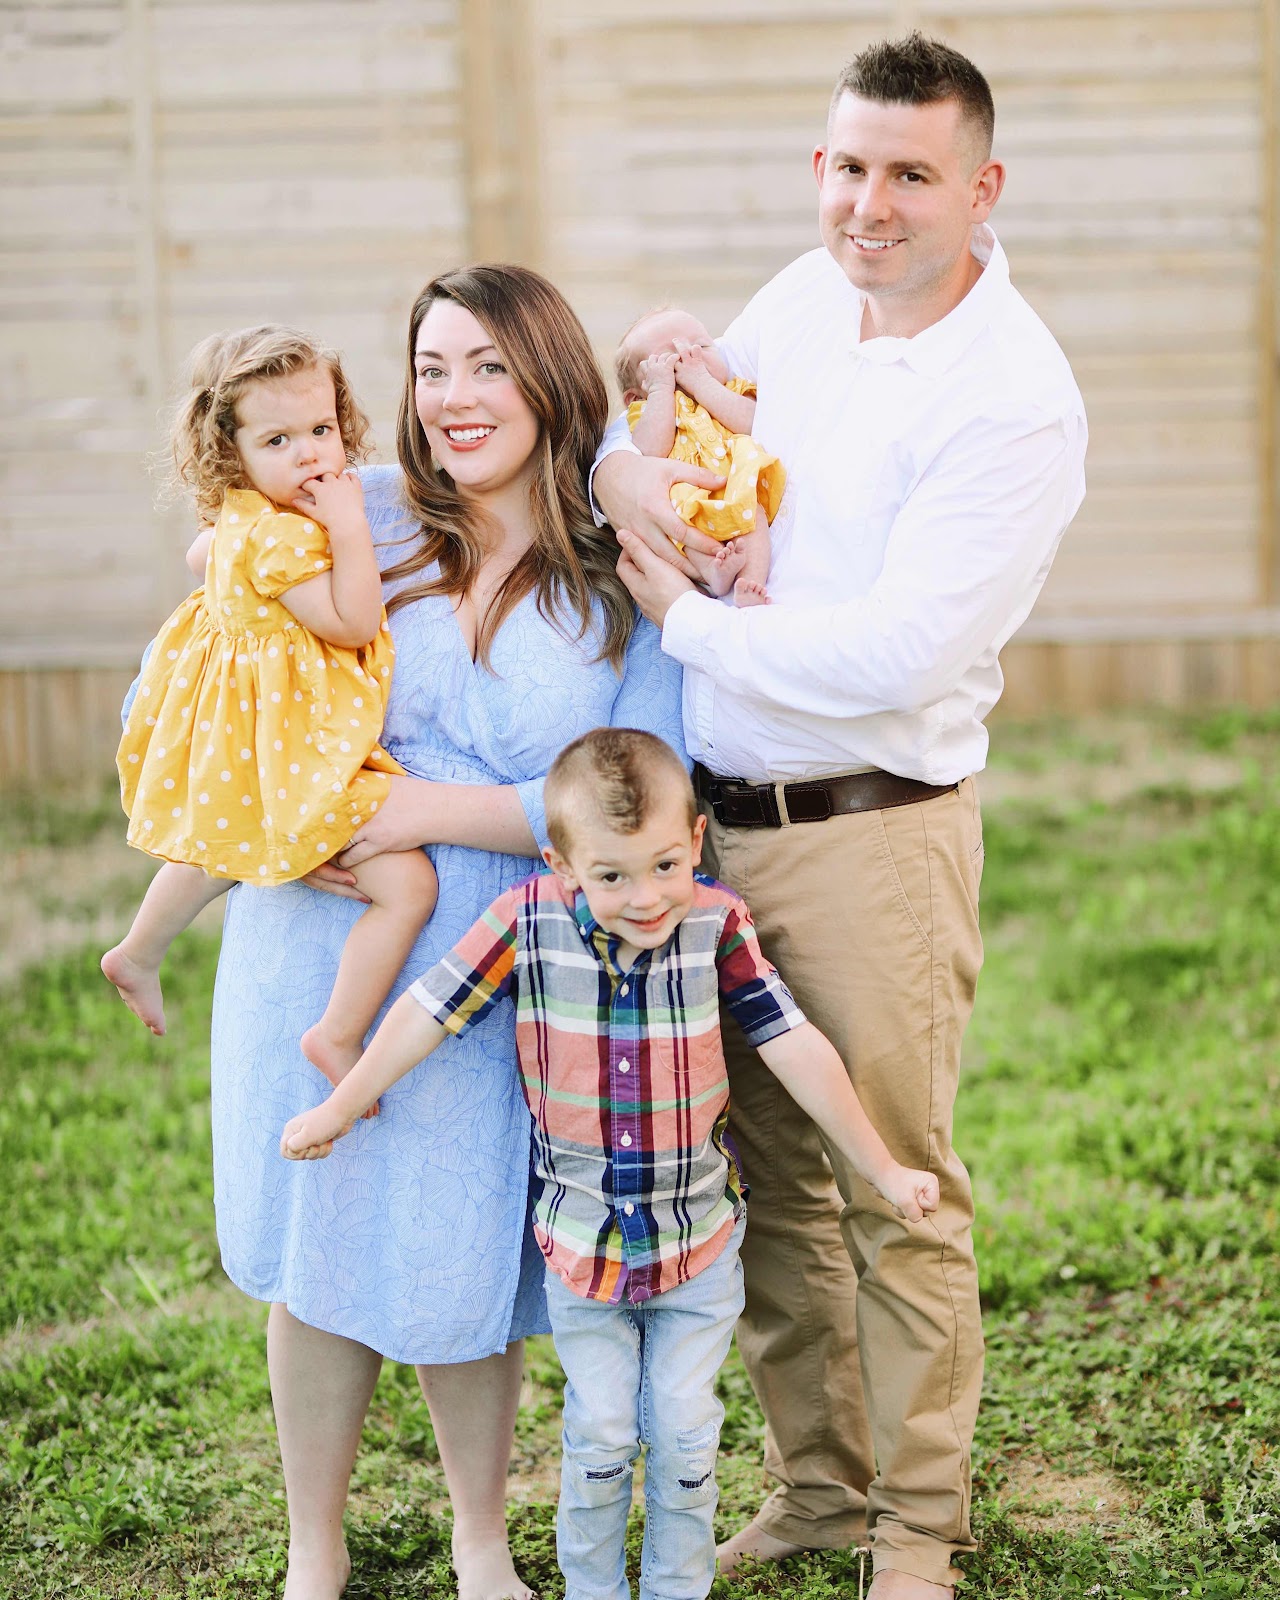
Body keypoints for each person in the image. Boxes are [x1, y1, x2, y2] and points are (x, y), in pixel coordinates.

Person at [593, 33, 1087, 1600]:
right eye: (849, 165)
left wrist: (685, 617)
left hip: (874, 836)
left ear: (982, 190)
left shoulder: (1015, 399)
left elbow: (899, 654)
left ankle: (918, 1531)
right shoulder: (806, 300)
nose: (870, 203)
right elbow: (681, 446)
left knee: (894, 1189)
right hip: (713, 833)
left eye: (910, 174)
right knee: (769, 1187)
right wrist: (628, 465)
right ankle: (821, 1489)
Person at [131, 266, 686, 1600]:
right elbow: (217, 643)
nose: (453, 397)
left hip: (499, 955)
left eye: (488, 365)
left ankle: (478, 1537)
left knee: (461, 1238)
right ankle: (311, 1546)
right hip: (316, 928)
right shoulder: (357, 513)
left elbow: (641, 784)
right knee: (318, 1243)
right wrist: (272, 801)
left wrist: (418, 810)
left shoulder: (617, 570)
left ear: (548, 380)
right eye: (432, 369)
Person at [278, 727, 941, 1600]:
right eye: (613, 876)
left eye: (665, 866)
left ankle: (675, 1587)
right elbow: (426, 1012)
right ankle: (593, 1588)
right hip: (583, 1249)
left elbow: (794, 1044)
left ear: (696, 839)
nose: (646, 898)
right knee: (598, 1437)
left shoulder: (715, 924)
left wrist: (883, 1169)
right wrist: (339, 1104)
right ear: (562, 865)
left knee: (686, 1436)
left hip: (697, 1245)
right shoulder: (525, 921)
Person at [102, 326, 438, 1091]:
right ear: (233, 454)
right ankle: (337, 1035)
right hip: (291, 748)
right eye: (279, 440)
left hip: (254, 740)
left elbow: (201, 554)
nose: (311, 455)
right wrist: (350, 526)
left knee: (220, 847)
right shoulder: (286, 538)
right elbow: (353, 621)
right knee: (409, 886)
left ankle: (140, 950)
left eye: (321, 430)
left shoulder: (243, 519)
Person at [614, 308, 784, 607]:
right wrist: (662, 390)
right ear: (635, 396)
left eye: (703, 346)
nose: (691, 356)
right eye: (669, 358)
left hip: (735, 487)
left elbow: (754, 424)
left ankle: (751, 583)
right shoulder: (647, 409)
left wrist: (702, 383)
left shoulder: (733, 389)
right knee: (679, 522)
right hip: (684, 497)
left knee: (753, 518)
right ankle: (711, 572)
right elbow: (650, 451)